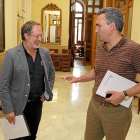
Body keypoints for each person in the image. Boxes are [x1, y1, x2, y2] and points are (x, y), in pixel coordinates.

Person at [60, 7, 140, 140]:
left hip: (118, 111)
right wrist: (78, 79)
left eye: (98, 25)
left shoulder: (133, 49)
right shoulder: (100, 47)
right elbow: (96, 71)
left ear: (112, 27)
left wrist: (124, 94)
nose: (96, 29)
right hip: (94, 106)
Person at [0, 21, 55, 140]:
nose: (40, 39)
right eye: (37, 36)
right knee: (17, 138)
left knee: (32, 136)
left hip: (36, 105)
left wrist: (46, 93)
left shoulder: (44, 53)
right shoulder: (12, 54)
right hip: (17, 106)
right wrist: (8, 109)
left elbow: (51, 73)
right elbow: (3, 85)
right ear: (26, 35)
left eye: (41, 35)